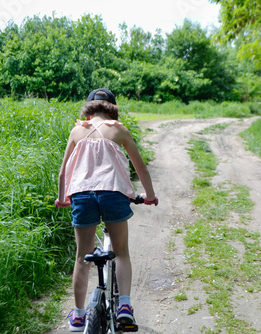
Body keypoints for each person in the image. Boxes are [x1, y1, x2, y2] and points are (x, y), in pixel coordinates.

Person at [55, 88, 157, 332]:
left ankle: (79, 316)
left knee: (83, 257)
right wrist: (150, 196)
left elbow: (63, 172)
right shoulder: (119, 130)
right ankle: (124, 305)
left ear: (89, 110)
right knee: (121, 252)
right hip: (113, 193)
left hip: (82, 195)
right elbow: (140, 167)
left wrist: (62, 199)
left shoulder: (77, 130)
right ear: (112, 108)